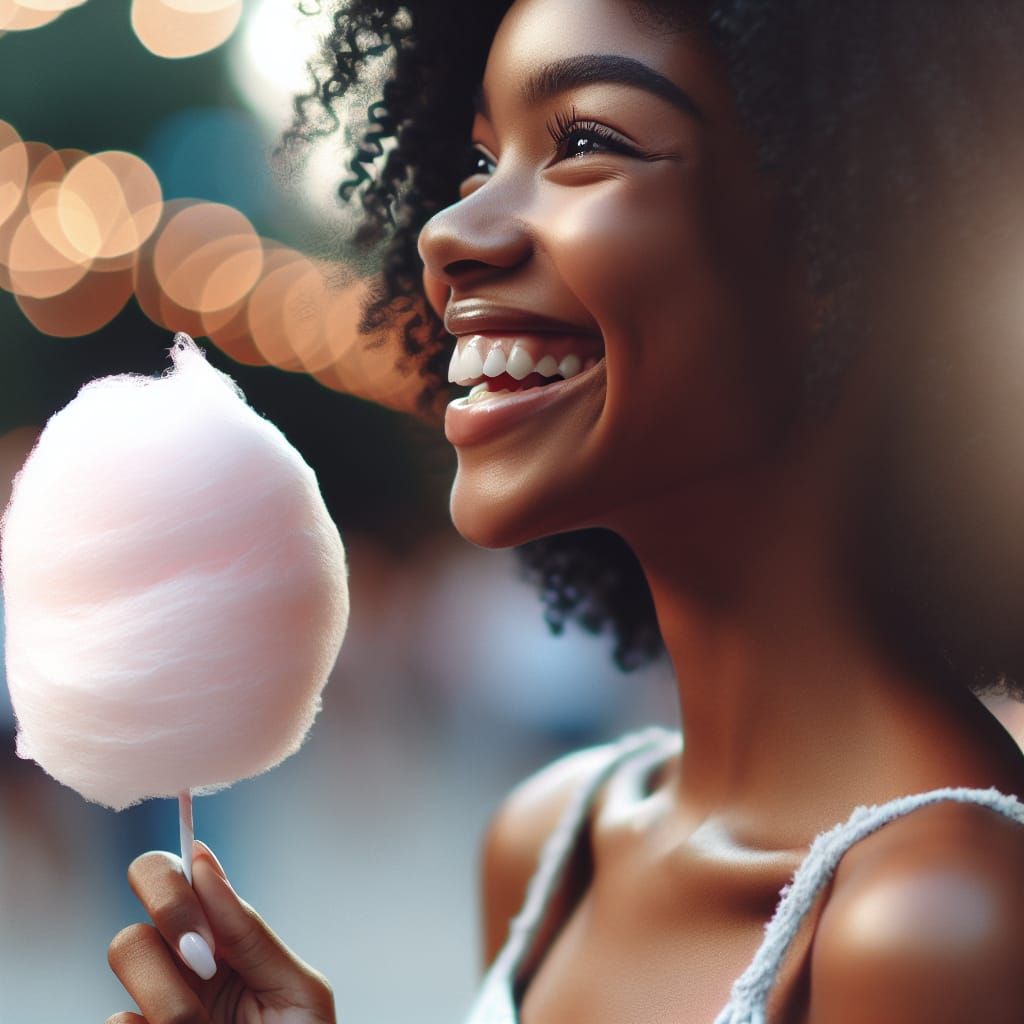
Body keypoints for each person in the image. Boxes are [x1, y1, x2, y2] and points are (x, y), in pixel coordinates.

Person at [104, 1, 1024, 1021]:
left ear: (846, 233)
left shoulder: (942, 919)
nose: (449, 232)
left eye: (586, 143)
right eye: (477, 161)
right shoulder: (550, 843)